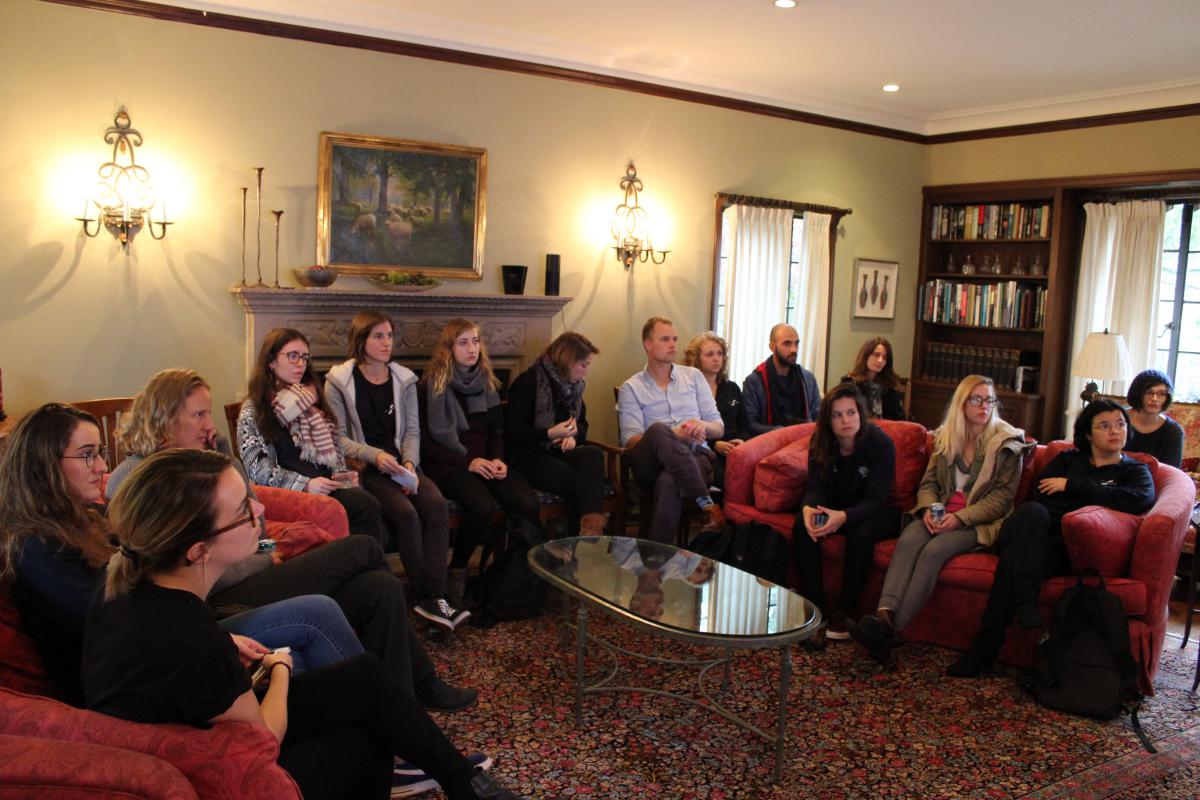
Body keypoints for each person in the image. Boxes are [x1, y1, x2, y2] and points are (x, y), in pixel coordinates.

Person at [0, 401, 481, 792]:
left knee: (376, 589)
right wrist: (275, 662)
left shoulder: (96, 525)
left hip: (184, 630)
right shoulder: (44, 546)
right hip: (173, 674)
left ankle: (420, 725)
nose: (100, 466)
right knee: (339, 595)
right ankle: (402, 734)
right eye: (87, 455)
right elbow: (256, 730)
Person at [83, 449, 524, 800]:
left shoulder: (130, 576)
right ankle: (450, 778)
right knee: (365, 739)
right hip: (211, 772)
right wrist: (279, 667)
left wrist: (227, 639)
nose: (259, 508)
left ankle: (464, 782)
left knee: (365, 676)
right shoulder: (187, 637)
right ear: (199, 551)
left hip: (189, 731)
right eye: (243, 510)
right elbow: (263, 736)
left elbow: (168, 658)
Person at [947, 398, 1156, 677]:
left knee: (1012, 560)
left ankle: (986, 648)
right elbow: (1041, 498)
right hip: (1033, 531)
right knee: (1032, 512)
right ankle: (1025, 603)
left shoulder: (1134, 471)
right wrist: (1091, 497)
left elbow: (1138, 499)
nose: (1115, 431)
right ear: (1087, 434)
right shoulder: (1067, 460)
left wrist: (1072, 486)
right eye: (1105, 426)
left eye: (1120, 424)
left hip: (1066, 549)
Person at [851, 376, 1030, 662]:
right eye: (977, 399)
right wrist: (928, 510)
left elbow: (1000, 501)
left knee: (934, 550)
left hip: (978, 523)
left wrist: (959, 518)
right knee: (909, 538)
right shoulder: (946, 437)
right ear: (962, 402)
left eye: (989, 400)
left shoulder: (1008, 444)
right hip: (939, 514)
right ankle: (884, 614)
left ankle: (892, 629)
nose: (985, 406)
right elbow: (929, 484)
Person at [325, 311, 464, 632]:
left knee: (436, 505)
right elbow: (339, 439)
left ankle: (436, 595)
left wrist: (410, 464)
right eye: (378, 336)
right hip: (368, 469)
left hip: (402, 465)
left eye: (389, 335)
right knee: (407, 514)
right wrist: (376, 456)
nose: (387, 343)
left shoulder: (404, 380)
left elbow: (412, 431)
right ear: (361, 340)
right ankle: (425, 596)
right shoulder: (338, 382)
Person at [237, 328, 389, 548]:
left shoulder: (311, 402)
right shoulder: (254, 410)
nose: (301, 363)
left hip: (326, 487)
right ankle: (359, 564)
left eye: (304, 357)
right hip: (290, 494)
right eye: (293, 356)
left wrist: (342, 475)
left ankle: (362, 564)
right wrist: (306, 484)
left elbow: (334, 452)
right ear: (271, 361)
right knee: (363, 507)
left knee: (367, 505)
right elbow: (257, 470)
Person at [419, 318, 541, 578]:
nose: (472, 348)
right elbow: (426, 444)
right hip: (449, 464)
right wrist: (469, 463)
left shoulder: (486, 382)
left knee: (527, 502)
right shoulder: (431, 386)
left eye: (475, 341)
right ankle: (458, 571)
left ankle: (512, 572)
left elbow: (496, 431)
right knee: (482, 505)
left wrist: (498, 459)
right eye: (463, 343)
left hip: (485, 462)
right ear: (449, 348)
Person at [791, 383, 899, 641]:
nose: (845, 420)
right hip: (836, 506)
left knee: (861, 535)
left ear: (860, 413)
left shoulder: (880, 443)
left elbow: (876, 500)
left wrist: (843, 518)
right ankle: (816, 609)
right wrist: (808, 509)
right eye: (837, 415)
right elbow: (815, 487)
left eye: (851, 413)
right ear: (828, 420)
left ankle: (845, 610)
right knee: (803, 527)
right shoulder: (820, 441)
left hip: (878, 512)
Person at [616, 317, 725, 543]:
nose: (673, 345)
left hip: (697, 457)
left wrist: (700, 425)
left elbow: (719, 428)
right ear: (648, 344)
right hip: (651, 463)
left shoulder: (693, 377)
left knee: (669, 481)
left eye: (674, 339)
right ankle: (707, 504)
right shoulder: (631, 387)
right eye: (665, 339)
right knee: (658, 430)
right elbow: (630, 440)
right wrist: (673, 434)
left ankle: (656, 557)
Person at [505, 331, 608, 537]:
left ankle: (588, 532)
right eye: (583, 365)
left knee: (593, 454)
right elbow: (513, 431)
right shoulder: (528, 382)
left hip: (559, 451)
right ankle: (579, 543)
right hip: (529, 455)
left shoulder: (574, 388)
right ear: (568, 361)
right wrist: (549, 433)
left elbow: (582, 424)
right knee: (581, 483)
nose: (586, 371)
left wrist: (573, 437)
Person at [682, 331, 749, 488]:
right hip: (704, 450)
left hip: (736, 450)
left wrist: (741, 441)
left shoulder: (732, 388)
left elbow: (745, 425)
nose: (717, 358)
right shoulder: (687, 390)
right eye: (710, 354)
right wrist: (714, 444)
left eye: (720, 354)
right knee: (726, 478)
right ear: (696, 359)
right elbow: (685, 426)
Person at [742, 323, 822, 435]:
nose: (794, 349)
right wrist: (783, 433)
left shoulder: (807, 379)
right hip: (769, 440)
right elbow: (750, 424)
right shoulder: (755, 381)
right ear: (772, 347)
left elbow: (819, 417)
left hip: (804, 438)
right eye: (787, 344)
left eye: (796, 343)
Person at [1124, 369, 1183, 468]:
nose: (1154, 399)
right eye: (1148, 392)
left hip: (1153, 477)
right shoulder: (1117, 419)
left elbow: (1171, 471)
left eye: (1161, 394)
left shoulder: (1173, 431)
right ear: (1137, 394)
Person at [841, 337, 907, 421]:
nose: (880, 360)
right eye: (876, 355)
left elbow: (901, 421)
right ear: (865, 356)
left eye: (885, 357)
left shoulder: (889, 388)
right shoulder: (849, 384)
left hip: (886, 428)